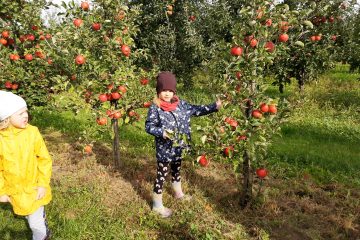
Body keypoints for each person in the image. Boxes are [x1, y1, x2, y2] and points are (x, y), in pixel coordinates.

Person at [145, 71, 222, 218]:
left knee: (176, 170)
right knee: (162, 174)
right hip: (165, 149)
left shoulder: (182, 105)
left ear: (174, 91)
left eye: (170, 90)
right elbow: (149, 126)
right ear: (158, 91)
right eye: (163, 90)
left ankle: (178, 193)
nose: (167, 94)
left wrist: (214, 106)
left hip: (179, 147)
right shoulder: (156, 107)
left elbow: (197, 110)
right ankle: (157, 205)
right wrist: (162, 132)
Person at [0, 90, 52, 240]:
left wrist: (42, 184)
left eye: (26, 111)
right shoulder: (1, 140)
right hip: (15, 188)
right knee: (26, 211)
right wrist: (2, 191)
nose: (25, 115)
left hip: (34, 186)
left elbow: (44, 159)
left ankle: (42, 234)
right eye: (20, 113)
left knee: (36, 223)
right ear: (6, 119)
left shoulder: (32, 133)